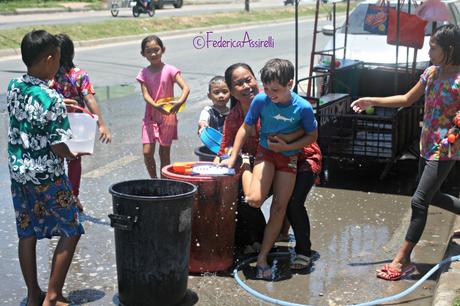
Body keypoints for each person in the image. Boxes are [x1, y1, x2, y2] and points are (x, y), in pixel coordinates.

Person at [351, 24, 460, 281]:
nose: (428, 51)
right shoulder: (431, 73)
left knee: (418, 200)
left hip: (445, 149)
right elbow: (406, 99)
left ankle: (402, 261)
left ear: (450, 50)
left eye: (433, 47)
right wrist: (372, 100)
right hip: (426, 144)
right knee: (431, 196)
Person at [7, 30, 85, 306]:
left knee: (27, 233)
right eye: (58, 60)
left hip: (19, 174)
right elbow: (58, 146)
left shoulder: (14, 85)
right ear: (50, 59)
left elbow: (30, 107)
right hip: (47, 176)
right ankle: (52, 296)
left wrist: (58, 104)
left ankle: (32, 296)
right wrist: (74, 154)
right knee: (71, 229)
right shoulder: (51, 98)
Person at [220, 59, 318, 279]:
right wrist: (233, 157)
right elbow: (245, 128)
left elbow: (312, 136)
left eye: (275, 90)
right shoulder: (261, 100)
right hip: (265, 154)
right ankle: (246, 163)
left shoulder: (302, 107)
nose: (270, 94)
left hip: (290, 158)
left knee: (280, 208)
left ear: (290, 83)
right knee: (253, 200)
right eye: (267, 88)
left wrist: (287, 146)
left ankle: (263, 257)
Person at [51, 33, 112, 213]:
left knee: (57, 160)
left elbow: (90, 99)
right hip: (75, 125)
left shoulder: (50, 76)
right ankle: (72, 195)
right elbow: (90, 100)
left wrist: (101, 124)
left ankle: (63, 197)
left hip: (57, 124)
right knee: (74, 160)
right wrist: (101, 123)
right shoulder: (79, 75)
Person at [136, 35, 190, 178]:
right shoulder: (143, 73)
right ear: (143, 54)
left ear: (163, 50)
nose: (153, 54)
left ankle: (165, 180)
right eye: (149, 51)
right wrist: (155, 105)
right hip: (150, 116)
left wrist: (180, 102)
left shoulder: (170, 70)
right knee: (147, 152)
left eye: (156, 50)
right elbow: (146, 95)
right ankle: (154, 179)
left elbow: (185, 88)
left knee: (164, 152)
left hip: (168, 116)